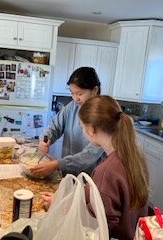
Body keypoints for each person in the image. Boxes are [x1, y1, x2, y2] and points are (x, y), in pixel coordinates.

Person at [42, 95, 149, 240]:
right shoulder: (135, 155)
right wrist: (64, 200)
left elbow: (98, 225)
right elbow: (99, 196)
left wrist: (60, 210)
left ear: (91, 129)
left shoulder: (107, 171)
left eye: (81, 127)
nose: (82, 131)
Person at [30, 67, 104, 177]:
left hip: (90, 179)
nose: (75, 98)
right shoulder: (72, 107)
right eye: (72, 93)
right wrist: (46, 139)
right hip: (68, 173)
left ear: (94, 90)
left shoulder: (104, 115)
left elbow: (90, 155)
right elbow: (55, 126)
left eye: (79, 94)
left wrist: (58, 164)